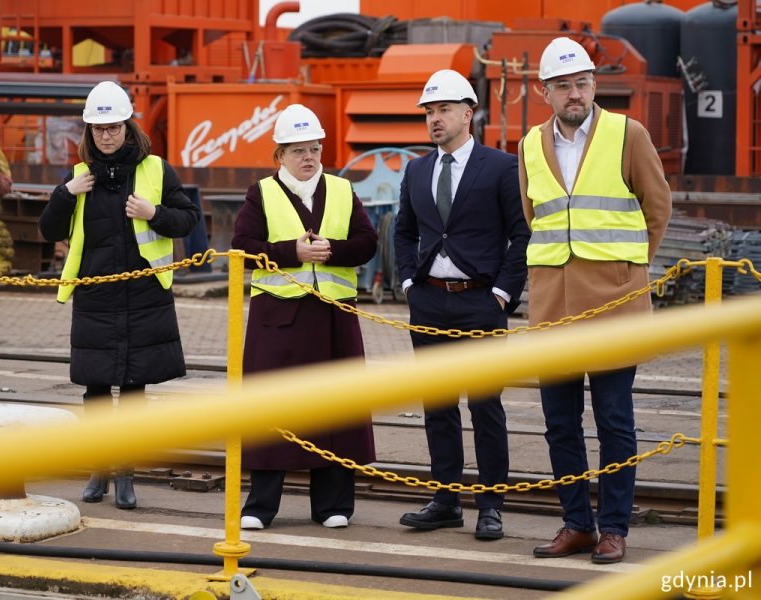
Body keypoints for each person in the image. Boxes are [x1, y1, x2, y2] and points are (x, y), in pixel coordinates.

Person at [520, 37, 672, 564]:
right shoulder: (529, 145)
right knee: (559, 424)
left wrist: (629, 269)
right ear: (546, 93)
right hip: (551, 309)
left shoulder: (627, 133)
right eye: (563, 86)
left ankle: (613, 528)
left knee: (614, 422)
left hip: (613, 303)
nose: (575, 93)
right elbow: (533, 216)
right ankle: (576, 525)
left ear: (593, 85)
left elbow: (657, 206)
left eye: (582, 82)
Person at [38, 81, 200, 510]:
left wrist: (154, 213)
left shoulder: (156, 170)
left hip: (144, 296)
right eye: (98, 129)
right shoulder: (77, 179)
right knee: (94, 391)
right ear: (88, 133)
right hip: (95, 298)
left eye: (113, 127)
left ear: (128, 127)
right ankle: (98, 469)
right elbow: (49, 231)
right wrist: (64, 195)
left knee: (132, 392)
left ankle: (126, 474)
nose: (106, 135)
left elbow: (188, 220)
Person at [393, 70, 530, 540]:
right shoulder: (416, 170)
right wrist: (410, 282)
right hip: (429, 301)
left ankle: (490, 505)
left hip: (480, 303)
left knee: (486, 407)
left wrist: (502, 294)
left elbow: (521, 235)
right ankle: (445, 500)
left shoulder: (500, 166)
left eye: (444, 110)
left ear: (468, 114)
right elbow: (405, 231)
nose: (434, 119)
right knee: (438, 407)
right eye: (430, 112)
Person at [231, 103, 377, 530]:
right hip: (278, 320)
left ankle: (333, 506)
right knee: (270, 408)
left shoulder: (344, 190)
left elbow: (367, 242)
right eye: (298, 151)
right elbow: (242, 244)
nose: (309, 157)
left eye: (314, 149)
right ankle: (260, 507)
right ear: (279, 156)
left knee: (337, 410)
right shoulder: (261, 193)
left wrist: (329, 247)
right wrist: (291, 253)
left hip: (333, 319)